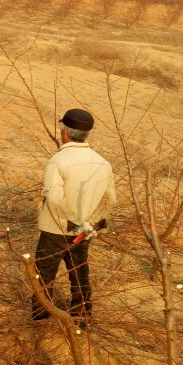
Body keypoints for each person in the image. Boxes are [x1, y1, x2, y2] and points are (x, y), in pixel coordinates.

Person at [32, 108, 116, 327]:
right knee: (79, 272)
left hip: (56, 230)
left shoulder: (58, 161)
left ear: (64, 132)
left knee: (44, 274)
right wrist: (89, 223)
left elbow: (55, 200)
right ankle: (82, 317)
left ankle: (41, 317)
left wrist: (72, 223)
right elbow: (110, 199)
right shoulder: (103, 163)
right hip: (85, 231)